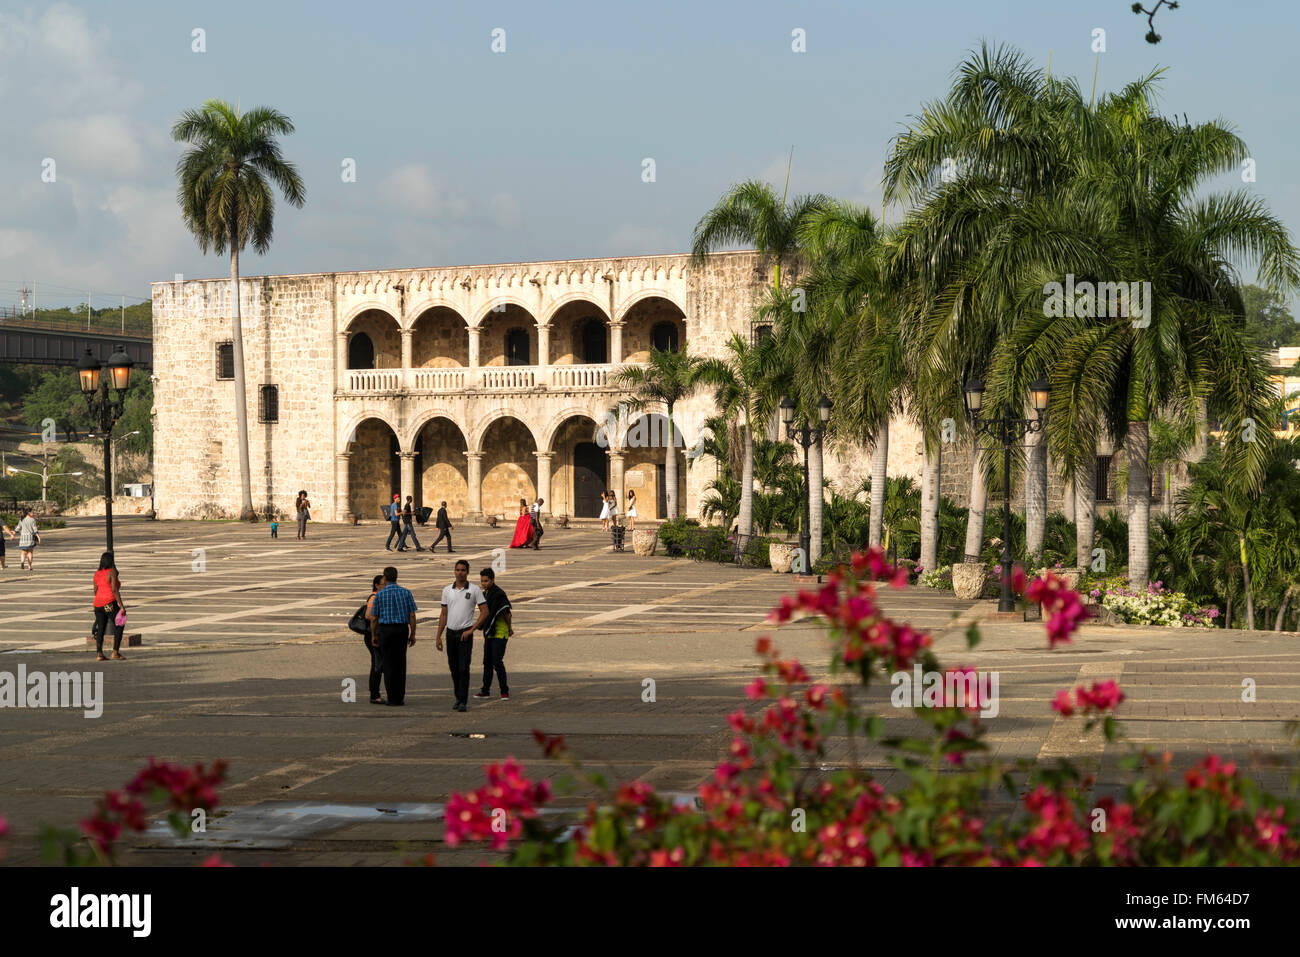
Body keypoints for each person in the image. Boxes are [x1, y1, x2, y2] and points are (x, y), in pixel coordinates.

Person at [435, 559, 487, 712]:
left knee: (464, 668)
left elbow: (485, 611)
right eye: (458, 570)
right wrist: (438, 636)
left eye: (463, 570)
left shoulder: (474, 589)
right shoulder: (447, 590)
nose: (460, 572)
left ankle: (463, 700)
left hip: (465, 633)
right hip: (451, 633)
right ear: (454, 571)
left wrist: (472, 629)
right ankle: (458, 697)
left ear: (467, 572)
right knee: (454, 668)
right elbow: (444, 613)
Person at [366, 565, 417, 706]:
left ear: (385, 578)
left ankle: (392, 697)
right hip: (401, 630)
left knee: (388, 664)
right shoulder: (406, 592)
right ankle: (400, 696)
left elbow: (374, 617)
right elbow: (412, 615)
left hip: (386, 630)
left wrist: (373, 635)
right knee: (401, 663)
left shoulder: (380, 594)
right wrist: (413, 633)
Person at [473, 567, 512, 700]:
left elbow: (507, 612)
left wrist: (510, 628)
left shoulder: (498, 594)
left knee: (497, 662)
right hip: (489, 633)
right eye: (482, 581)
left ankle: (504, 691)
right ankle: (485, 690)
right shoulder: (487, 593)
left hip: (500, 633)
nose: (484, 583)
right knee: (487, 663)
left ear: (492, 580)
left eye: (486, 581)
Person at [92, 551, 127, 661]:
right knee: (120, 624)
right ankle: (115, 652)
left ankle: (99, 654)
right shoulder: (111, 572)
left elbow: (95, 590)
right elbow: (114, 590)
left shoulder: (97, 573)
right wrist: (122, 606)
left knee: (101, 628)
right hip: (109, 603)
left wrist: (100, 600)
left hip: (97, 604)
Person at [363, 574, 386, 704]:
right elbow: (368, 615)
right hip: (373, 635)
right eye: (383, 584)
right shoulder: (374, 597)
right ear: (377, 585)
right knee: (377, 665)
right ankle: (374, 694)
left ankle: (374, 691)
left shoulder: (379, 596)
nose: (386, 586)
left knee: (378, 664)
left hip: (375, 634)